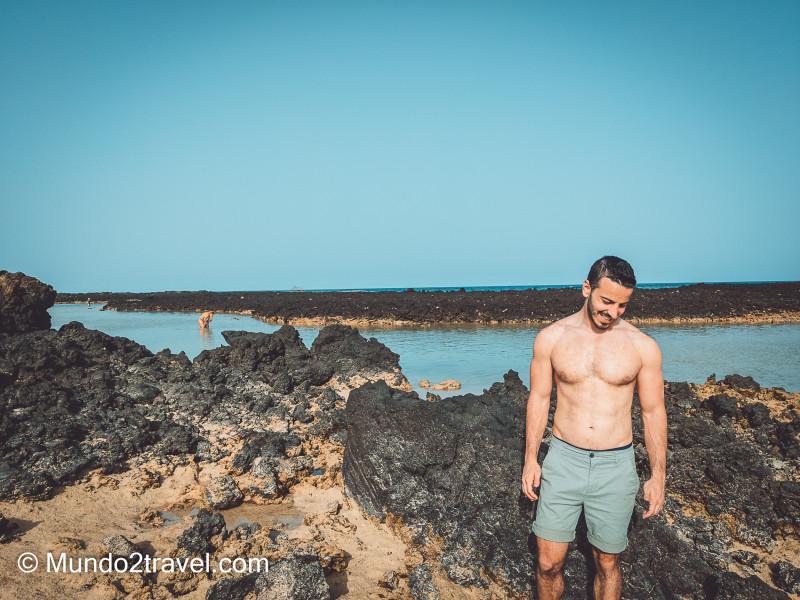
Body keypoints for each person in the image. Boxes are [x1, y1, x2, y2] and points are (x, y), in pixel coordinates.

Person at [521, 256, 667, 600]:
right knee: (547, 562)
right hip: (563, 460)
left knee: (607, 562)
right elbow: (539, 399)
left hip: (616, 465)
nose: (613, 312)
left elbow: (653, 411)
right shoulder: (551, 338)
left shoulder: (642, 347)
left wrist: (658, 475)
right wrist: (530, 459)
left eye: (622, 305)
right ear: (587, 288)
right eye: (606, 301)